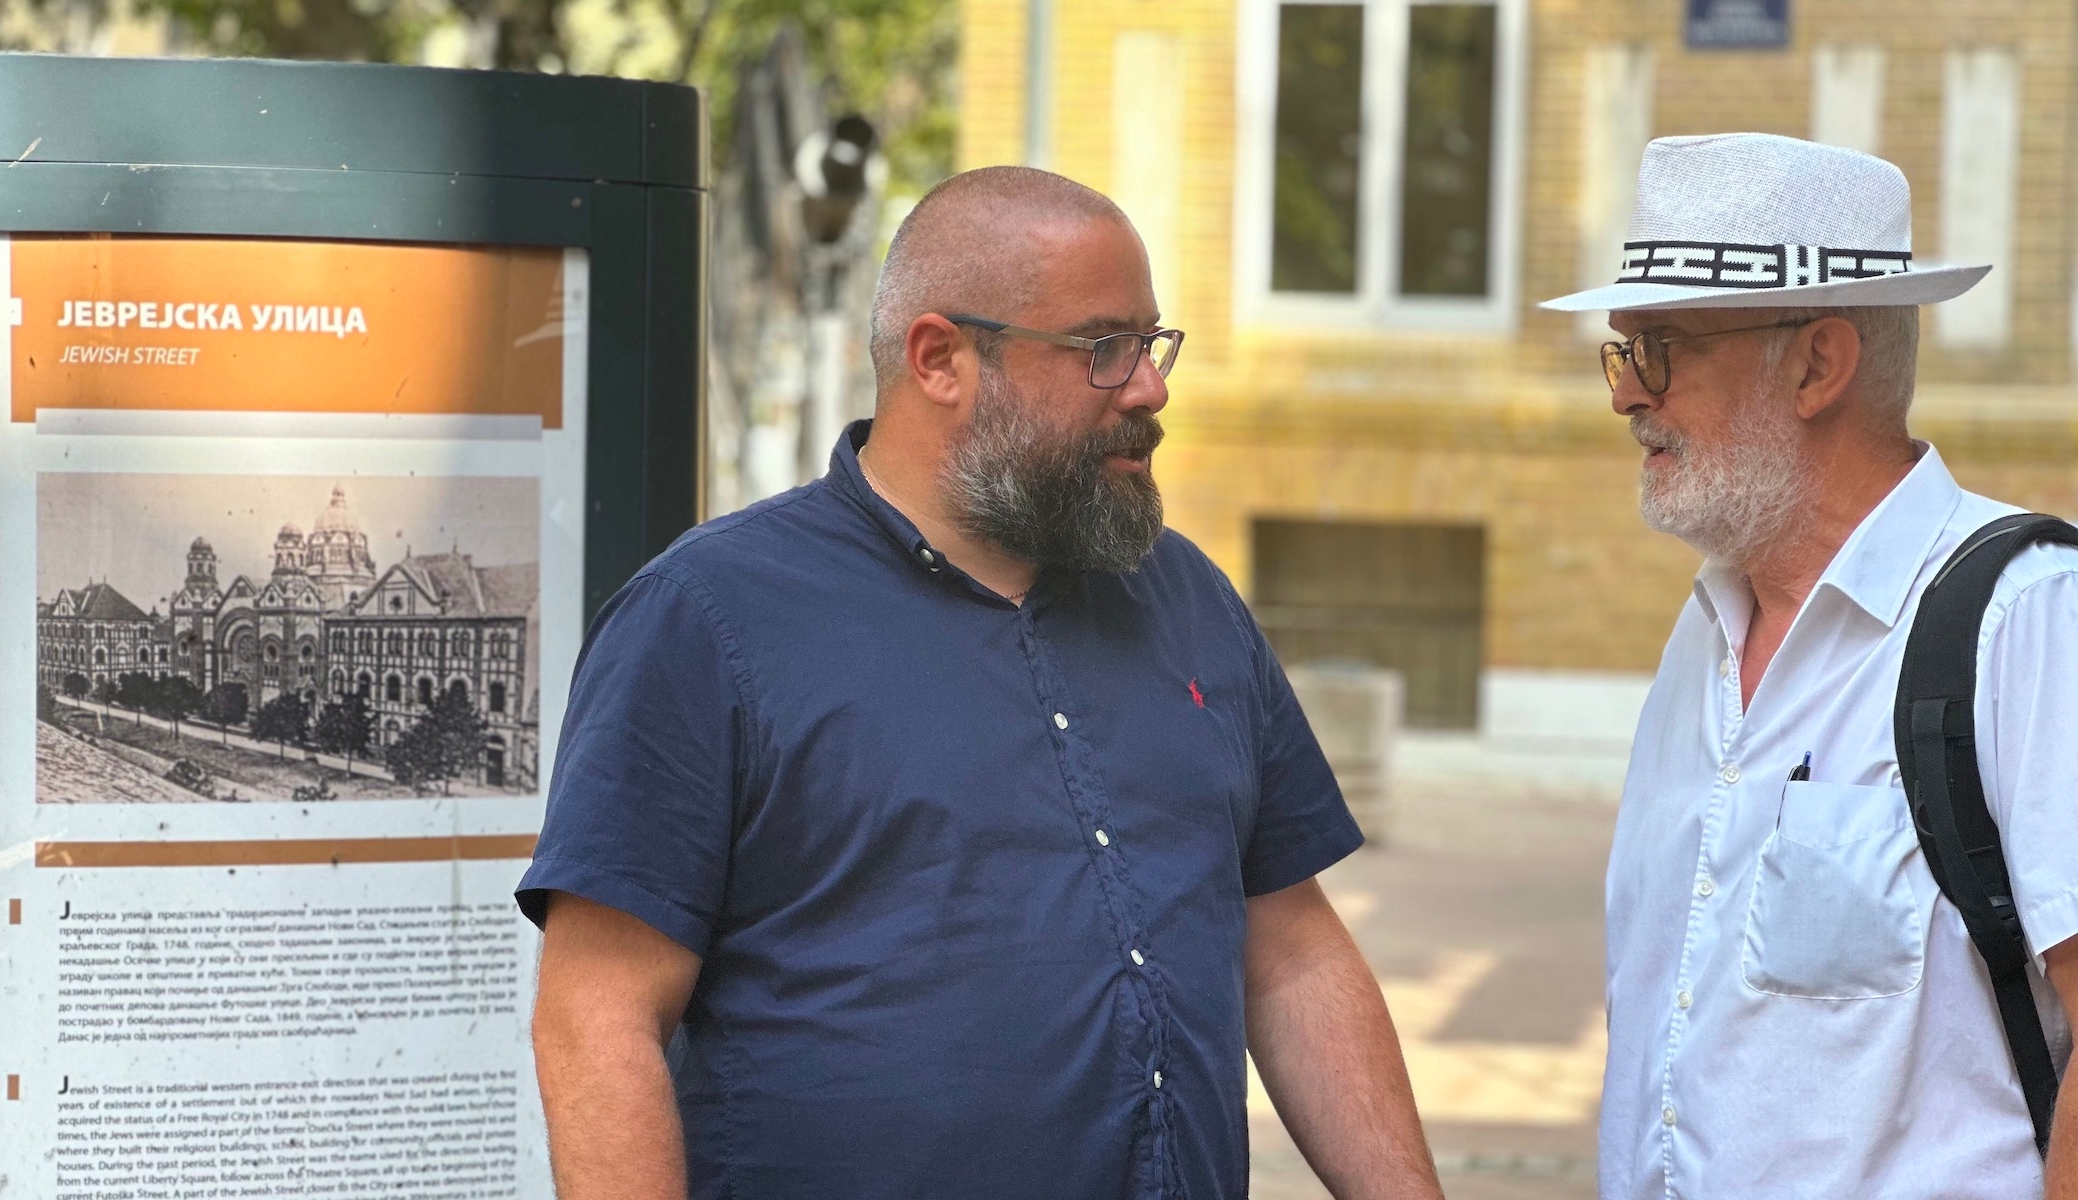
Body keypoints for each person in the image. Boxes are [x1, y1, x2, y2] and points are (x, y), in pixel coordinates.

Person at [519, 166, 1443, 1200]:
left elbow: (1292, 948)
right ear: (940, 359)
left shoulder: (1187, 599)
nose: (1150, 386)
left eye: (1151, 342)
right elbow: (595, 1015)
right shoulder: (707, 620)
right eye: (1104, 347)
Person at [1541, 132, 2078, 1199]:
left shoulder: (2028, 619)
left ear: (1817, 365)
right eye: (1621, 350)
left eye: (1661, 347)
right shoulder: (1704, 633)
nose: (1625, 395)